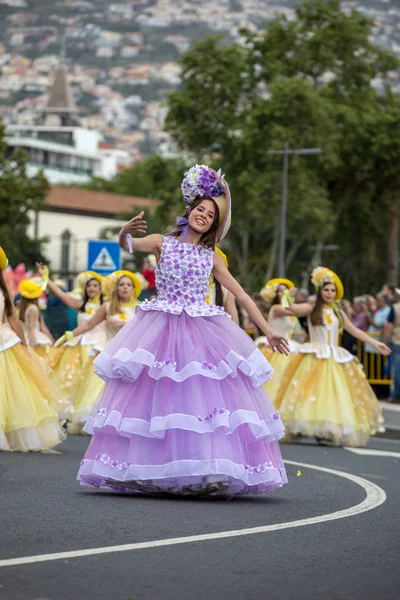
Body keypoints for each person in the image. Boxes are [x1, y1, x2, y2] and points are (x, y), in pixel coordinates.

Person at [78, 164, 289, 496]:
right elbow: (128, 244)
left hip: (200, 332)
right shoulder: (162, 243)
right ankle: (150, 468)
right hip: (159, 330)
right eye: (200, 209)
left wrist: (267, 330)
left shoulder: (213, 257)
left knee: (198, 403)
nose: (203, 215)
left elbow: (242, 295)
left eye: (210, 214)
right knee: (156, 401)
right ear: (189, 210)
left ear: (215, 225)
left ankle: (204, 469)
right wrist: (123, 231)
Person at [274, 266, 389, 447]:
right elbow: (290, 308)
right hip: (314, 356)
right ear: (320, 291)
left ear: (336, 293)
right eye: (326, 290)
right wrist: (288, 295)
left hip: (334, 357)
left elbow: (354, 330)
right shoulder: (311, 308)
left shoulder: (339, 312)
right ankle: (303, 427)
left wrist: (376, 343)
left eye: (332, 290)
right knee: (311, 392)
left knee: (334, 395)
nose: (329, 293)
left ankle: (326, 431)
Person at [57, 270, 142, 430]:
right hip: (111, 351)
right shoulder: (107, 306)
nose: (125, 288)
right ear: (115, 288)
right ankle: (101, 424)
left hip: (132, 354)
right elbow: (89, 324)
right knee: (101, 389)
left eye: (128, 285)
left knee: (130, 391)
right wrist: (70, 334)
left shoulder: (140, 308)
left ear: (133, 289)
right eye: (121, 284)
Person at [0, 247, 65, 451]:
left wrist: (24, 345)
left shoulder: (4, 290)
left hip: (3, 341)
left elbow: (12, 317)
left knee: (10, 390)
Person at [39, 268, 107, 408]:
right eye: (89, 286)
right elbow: (60, 294)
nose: (91, 288)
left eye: (95, 286)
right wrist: (47, 278)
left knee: (94, 382)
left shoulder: (106, 306)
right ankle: (72, 409)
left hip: (99, 347)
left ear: (101, 289)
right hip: (78, 345)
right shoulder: (81, 304)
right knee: (73, 379)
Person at [256, 279, 300, 402]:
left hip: (289, 347)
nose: (284, 292)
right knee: (274, 380)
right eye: (280, 291)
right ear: (275, 295)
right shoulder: (276, 308)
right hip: (274, 348)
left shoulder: (288, 310)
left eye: (285, 290)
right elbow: (298, 311)